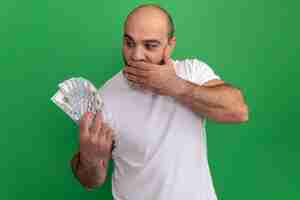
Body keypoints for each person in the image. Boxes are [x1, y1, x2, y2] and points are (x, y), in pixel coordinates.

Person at [70, 4, 249, 200]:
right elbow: (90, 181)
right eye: (129, 43)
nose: (136, 56)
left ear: (170, 45)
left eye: (150, 45)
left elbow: (238, 111)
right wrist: (90, 160)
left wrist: (176, 87)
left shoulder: (192, 72)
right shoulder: (105, 97)